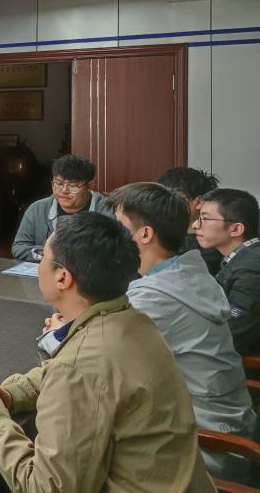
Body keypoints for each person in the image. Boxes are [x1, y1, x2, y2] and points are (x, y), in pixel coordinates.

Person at [0, 213, 214, 493]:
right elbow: (79, 373)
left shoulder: (80, 365)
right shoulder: (133, 319)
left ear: (63, 277)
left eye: (43, 257)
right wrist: (13, 394)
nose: (39, 265)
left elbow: (47, 488)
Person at [108, 182, 254, 476]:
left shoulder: (155, 297)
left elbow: (97, 353)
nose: (108, 238)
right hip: (228, 425)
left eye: (117, 228)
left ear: (144, 234)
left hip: (203, 447)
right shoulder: (189, 273)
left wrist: (58, 331)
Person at [11, 154, 112, 261]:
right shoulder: (37, 209)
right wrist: (49, 254)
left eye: (73, 185)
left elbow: (112, 253)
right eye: (58, 183)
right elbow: (19, 247)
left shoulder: (107, 211)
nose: (64, 191)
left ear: (90, 186)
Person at [197, 188, 260, 356]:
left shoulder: (253, 266)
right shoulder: (243, 258)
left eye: (205, 218)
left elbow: (235, 333)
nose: (196, 225)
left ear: (236, 229)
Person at [158, 166, 223, 275]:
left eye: (174, 198)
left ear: (199, 201)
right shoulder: (161, 229)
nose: (167, 204)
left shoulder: (212, 237)